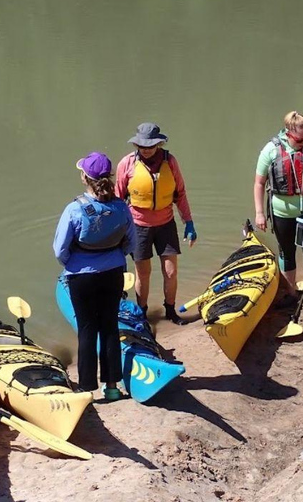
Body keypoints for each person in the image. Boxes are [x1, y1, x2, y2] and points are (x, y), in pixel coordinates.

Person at [53, 152, 136, 401]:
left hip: (82, 277)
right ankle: (112, 387)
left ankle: (86, 387)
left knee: (87, 329)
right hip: (113, 273)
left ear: (84, 178)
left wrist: (75, 264)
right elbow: (131, 243)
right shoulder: (122, 207)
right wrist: (112, 257)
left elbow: (60, 250)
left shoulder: (74, 209)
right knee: (109, 326)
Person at [253, 111, 303, 310]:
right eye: (300, 139)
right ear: (288, 134)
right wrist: (259, 213)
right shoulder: (271, 150)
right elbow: (259, 182)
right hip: (282, 211)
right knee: (286, 252)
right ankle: (290, 293)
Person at [116, 122, 197, 326]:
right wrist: (117, 231)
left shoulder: (170, 162)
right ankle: (142, 315)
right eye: (142, 146)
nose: (146, 149)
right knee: (143, 272)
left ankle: (170, 310)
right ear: (137, 145)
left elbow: (180, 193)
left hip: (166, 224)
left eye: (151, 145)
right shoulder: (126, 164)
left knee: (170, 271)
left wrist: (188, 222)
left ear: (158, 144)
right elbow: (117, 199)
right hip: (138, 226)